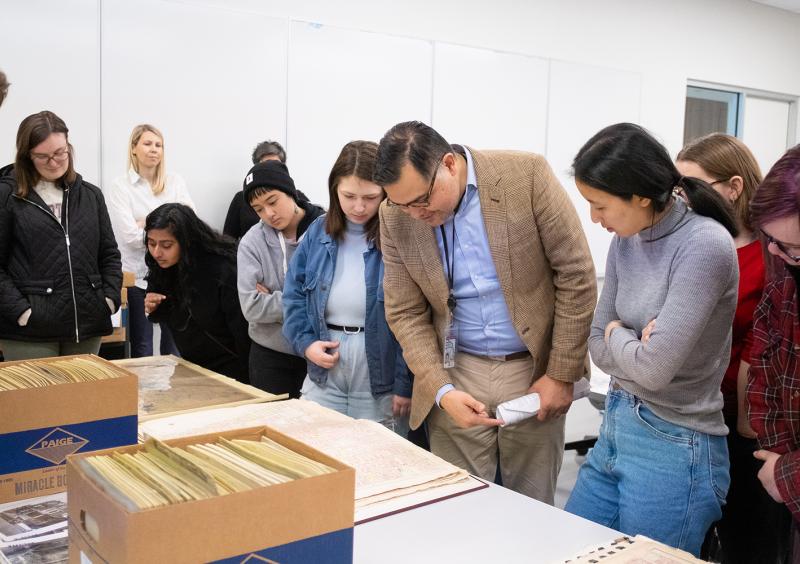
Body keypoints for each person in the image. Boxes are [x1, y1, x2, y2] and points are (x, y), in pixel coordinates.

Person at [373, 121, 596, 501]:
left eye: (422, 199)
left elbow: (575, 275)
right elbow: (404, 312)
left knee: (531, 503)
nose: (415, 213)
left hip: (533, 369)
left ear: (449, 164)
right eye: (402, 204)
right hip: (456, 371)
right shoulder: (394, 217)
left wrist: (560, 374)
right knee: (459, 503)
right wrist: (441, 390)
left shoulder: (524, 177)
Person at [563, 123, 739, 556]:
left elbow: (656, 370)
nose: (594, 218)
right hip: (619, 425)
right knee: (568, 547)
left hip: (676, 444)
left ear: (640, 196)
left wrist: (617, 335)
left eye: (600, 205)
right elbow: (595, 339)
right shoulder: (628, 239)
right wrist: (631, 343)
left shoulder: (704, 245)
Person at [676, 134, 791, 563]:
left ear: (734, 187)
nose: (683, 197)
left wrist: (747, 421)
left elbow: (761, 348)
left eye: (694, 185)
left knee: (749, 538)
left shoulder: (774, 252)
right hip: (695, 414)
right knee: (697, 536)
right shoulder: (693, 240)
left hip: (747, 420)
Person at [283, 141, 413, 432]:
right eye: (348, 196)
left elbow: (413, 318)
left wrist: (405, 384)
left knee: (378, 455)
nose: (358, 207)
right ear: (334, 191)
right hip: (327, 358)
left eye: (370, 197)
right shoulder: (317, 231)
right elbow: (292, 297)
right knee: (317, 446)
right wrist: (306, 344)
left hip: (379, 366)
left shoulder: (401, 235)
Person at [0, 111, 122, 360]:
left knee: (82, 398)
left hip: (87, 325)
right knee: (37, 400)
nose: (54, 162)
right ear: (26, 155)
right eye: (42, 156)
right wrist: (21, 311)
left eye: (60, 153)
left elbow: (109, 254)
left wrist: (108, 299)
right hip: (28, 331)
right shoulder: (7, 196)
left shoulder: (90, 196)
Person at [747, 144, 800, 560]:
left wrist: (789, 474)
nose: (775, 253)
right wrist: (779, 451)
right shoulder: (783, 261)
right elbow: (766, 353)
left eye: (790, 248)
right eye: (770, 239)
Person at [237, 160, 325, 397]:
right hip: (270, 357)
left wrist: (276, 300)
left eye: (272, 201)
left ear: (290, 191)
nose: (269, 214)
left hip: (321, 352)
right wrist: (308, 300)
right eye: (258, 209)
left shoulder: (326, 230)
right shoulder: (251, 243)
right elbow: (251, 307)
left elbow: (333, 299)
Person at [107, 124, 194, 358]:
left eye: (159, 145)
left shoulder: (174, 181)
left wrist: (144, 221)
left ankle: (174, 394)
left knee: (174, 348)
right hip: (137, 278)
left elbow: (189, 225)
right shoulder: (120, 186)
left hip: (173, 276)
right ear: (134, 148)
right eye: (147, 144)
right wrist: (166, 223)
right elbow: (131, 237)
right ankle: (143, 396)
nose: (154, 149)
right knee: (142, 347)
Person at [143, 203, 250, 382]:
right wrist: (155, 306)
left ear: (186, 241)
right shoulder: (161, 266)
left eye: (166, 245)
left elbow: (242, 332)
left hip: (232, 367)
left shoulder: (221, 269)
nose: (157, 252)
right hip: (192, 366)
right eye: (151, 243)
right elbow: (177, 316)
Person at [223, 140, 287, 239]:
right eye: (258, 208)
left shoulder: (296, 196)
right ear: (256, 167)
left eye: (273, 201)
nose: (272, 170)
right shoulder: (242, 198)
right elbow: (228, 238)